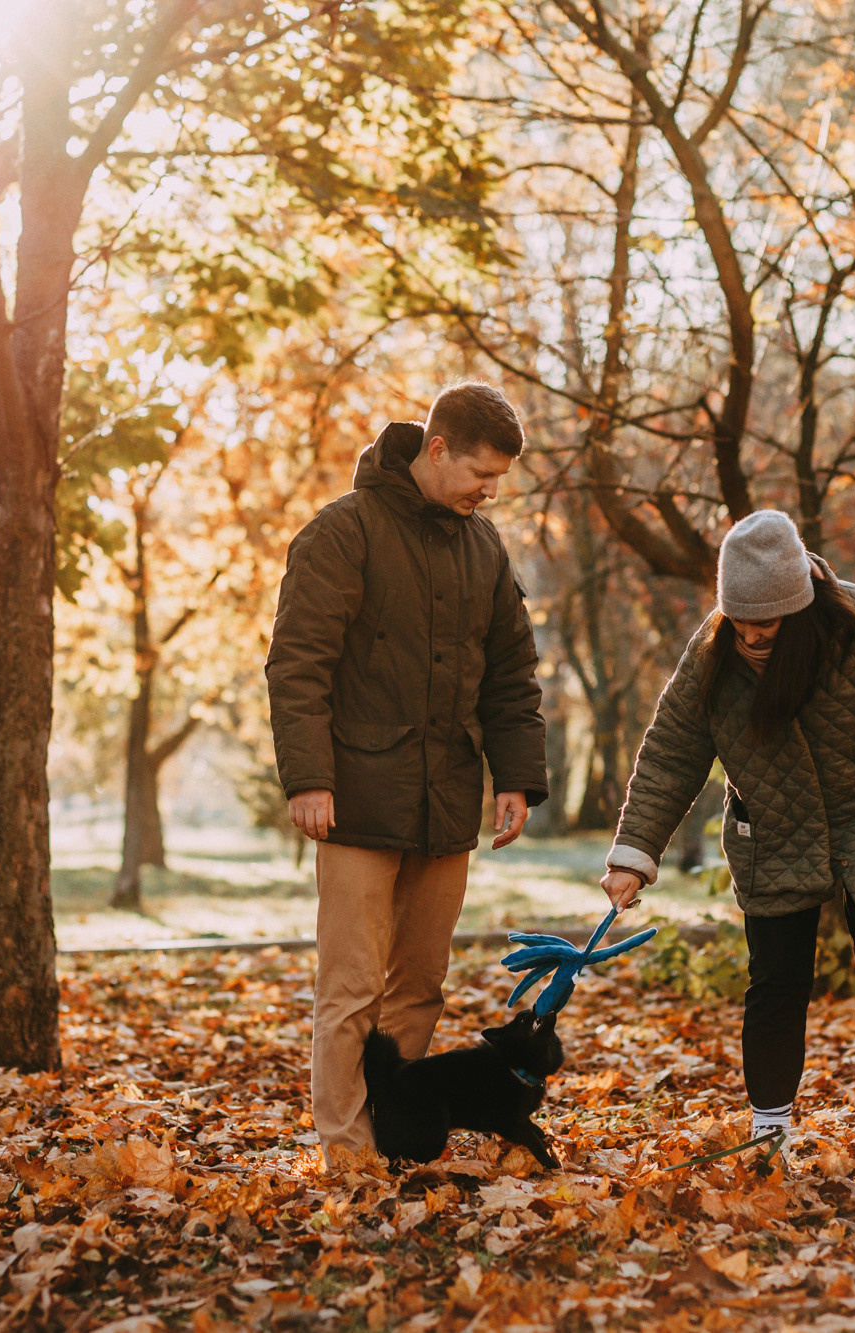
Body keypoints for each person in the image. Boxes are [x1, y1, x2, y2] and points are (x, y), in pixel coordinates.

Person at [598, 510, 855, 1170]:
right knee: (775, 980)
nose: (751, 634)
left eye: (767, 623)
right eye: (741, 620)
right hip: (773, 827)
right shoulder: (713, 651)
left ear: (798, 603)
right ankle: (770, 1138)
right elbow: (671, 754)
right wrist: (636, 852)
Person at [266, 382, 548, 1165]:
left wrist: (516, 777)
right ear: (435, 449)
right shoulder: (341, 534)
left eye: (499, 478)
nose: (489, 490)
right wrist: (308, 778)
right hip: (353, 800)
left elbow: (511, 674)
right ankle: (348, 1153)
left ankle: (394, 1132)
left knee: (420, 982)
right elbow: (298, 666)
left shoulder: (483, 546)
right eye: (480, 472)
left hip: (446, 800)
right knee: (351, 988)